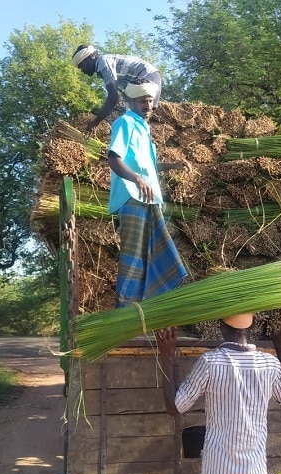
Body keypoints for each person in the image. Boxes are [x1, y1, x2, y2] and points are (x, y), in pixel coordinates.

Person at [155, 314, 281, 474]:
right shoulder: (269, 364)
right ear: (250, 326)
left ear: (221, 325)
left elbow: (175, 406)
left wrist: (167, 357)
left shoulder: (210, 363)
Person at [107, 80, 192, 307]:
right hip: (133, 197)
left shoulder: (145, 131)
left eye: (150, 101)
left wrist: (174, 165)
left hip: (150, 199)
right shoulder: (124, 122)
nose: (147, 105)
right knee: (133, 258)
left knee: (152, 256)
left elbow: (150, 167)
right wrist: (136, 178)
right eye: (142, 101)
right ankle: (124, 313)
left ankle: (147, 309)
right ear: (131, 102)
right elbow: (113, 159)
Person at [72, 44, 163, 133]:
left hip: (148, 76)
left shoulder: (103, 63)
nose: (82, 70)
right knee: (130, 115)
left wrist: (96, 122)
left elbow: (113, 97)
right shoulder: (102, 66)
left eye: (81, 66)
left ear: (89, 58)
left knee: (137, 116)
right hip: (146, 78)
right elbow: (121, 94)